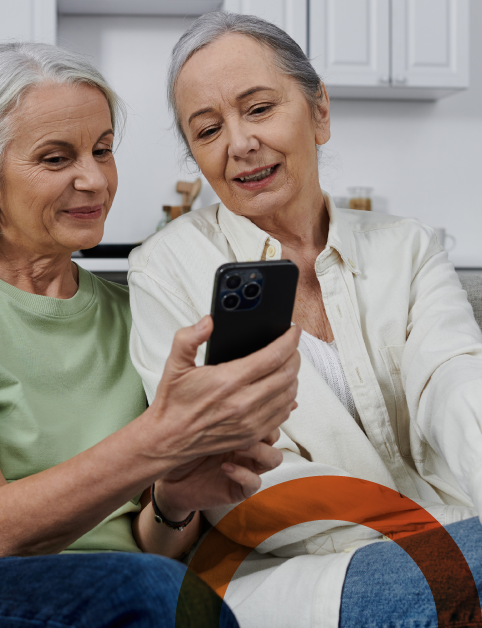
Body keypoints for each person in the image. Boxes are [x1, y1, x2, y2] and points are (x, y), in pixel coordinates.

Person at [0, 42, 303, 627]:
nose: (93, 179)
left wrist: (176, 496)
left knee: (166, 588)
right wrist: (160, 438)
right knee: (158, 594)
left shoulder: (133, 312)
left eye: (103, 150)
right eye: (55, 158)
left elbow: (152, 545)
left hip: (112, 590)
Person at [129, 12, 482, 627]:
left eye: (259, 109)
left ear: (319, 111)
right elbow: (254, 487)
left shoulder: (409, 245)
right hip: (303, 581)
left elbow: (454, 383)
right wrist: (429, 531)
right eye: (208, 130)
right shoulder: (164, 270)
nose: (238, 143)